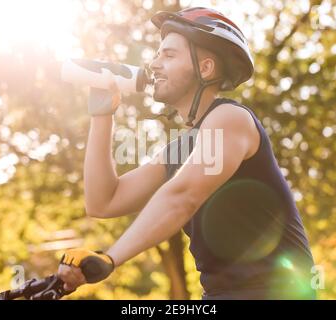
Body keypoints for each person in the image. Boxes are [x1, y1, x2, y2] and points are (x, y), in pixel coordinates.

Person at [58, 7, 316, 300]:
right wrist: (102, 115)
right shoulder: (180, 150)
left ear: (205, 68)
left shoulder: (231, 118)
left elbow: (182, 196)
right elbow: (103, 201)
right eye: (157, 55)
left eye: (168, 55)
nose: (154, 65)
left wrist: (110, 258)